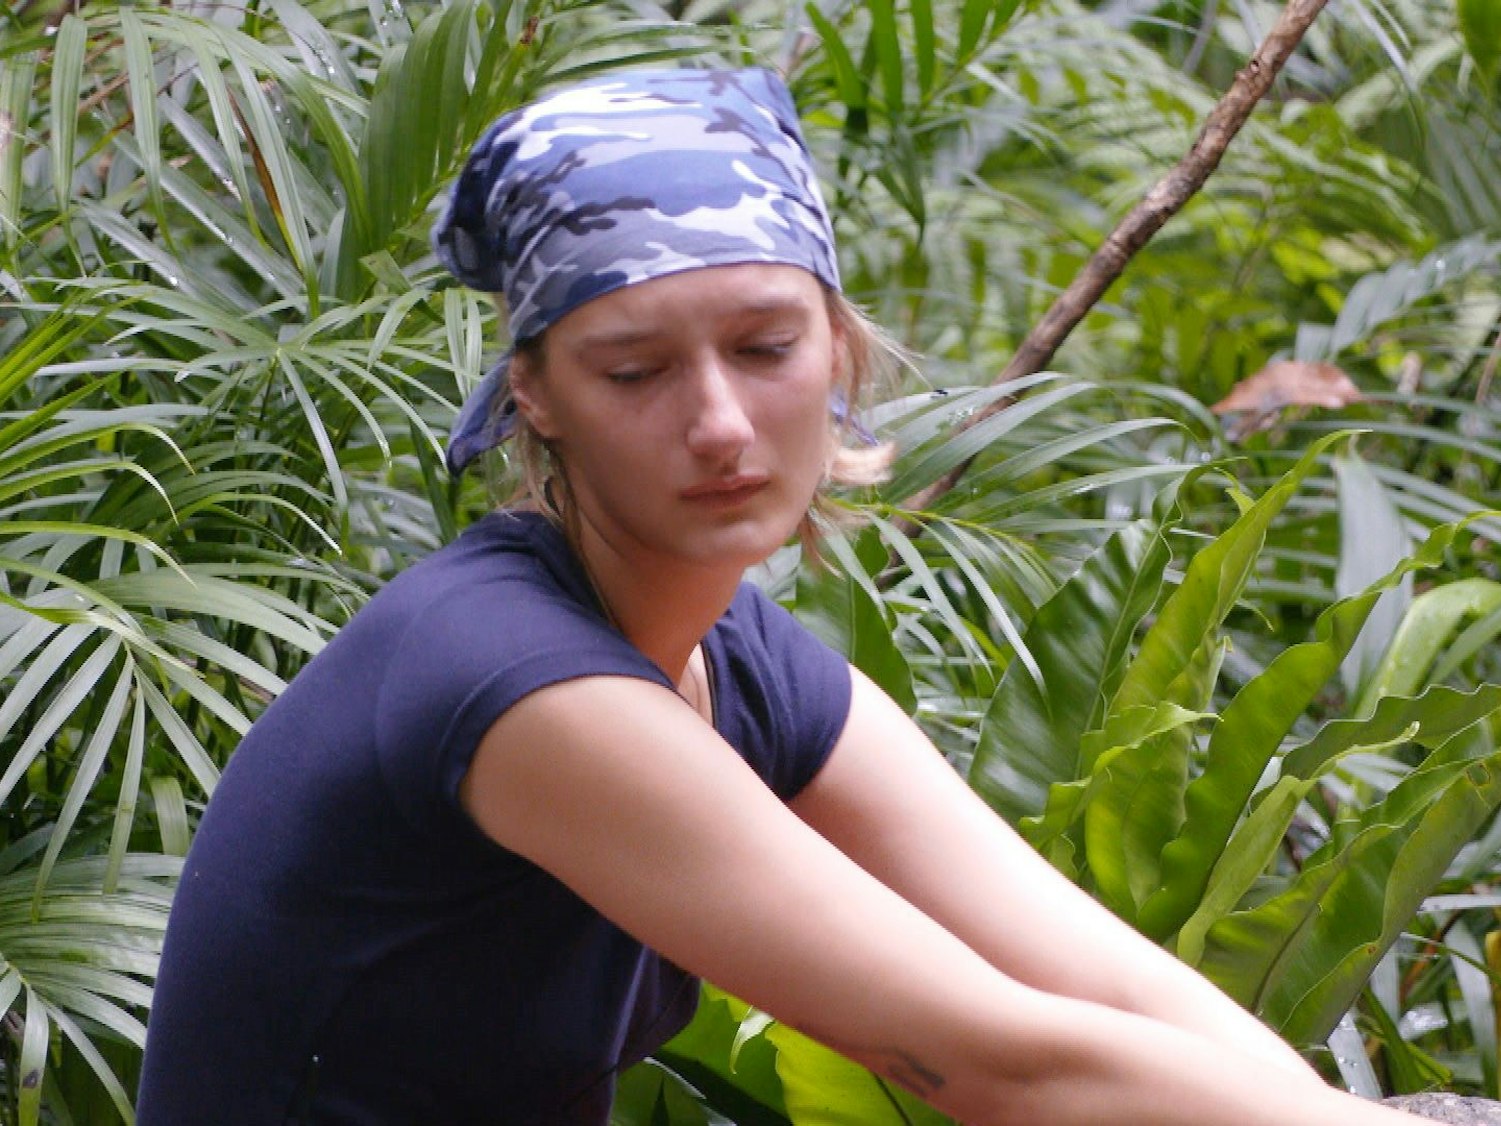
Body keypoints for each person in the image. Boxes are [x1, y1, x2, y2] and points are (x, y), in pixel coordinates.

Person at [138, 67, 1425, 1125]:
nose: (716, 423)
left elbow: (1093, 972)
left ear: (837, 347)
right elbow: (989, 1061)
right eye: (634, 370)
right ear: (532, 392)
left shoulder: (736, 655)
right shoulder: (512, 678)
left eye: (763, 349)